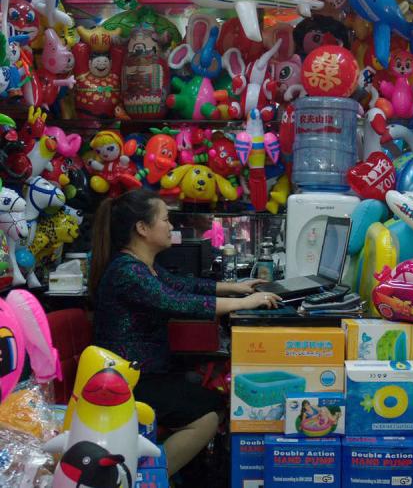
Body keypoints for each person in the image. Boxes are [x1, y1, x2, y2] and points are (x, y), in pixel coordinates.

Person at [90, 189, 281, 477]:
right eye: (165, 220)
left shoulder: (142, 266)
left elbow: (182, 286)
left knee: (211, 402)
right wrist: (244, 303)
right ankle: (146, 479)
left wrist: (234, 288)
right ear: (142, 228)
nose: (171, 226)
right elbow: (177, 302)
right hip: (125, 380)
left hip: (142, 374)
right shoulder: (127, 272)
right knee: (207, 415)